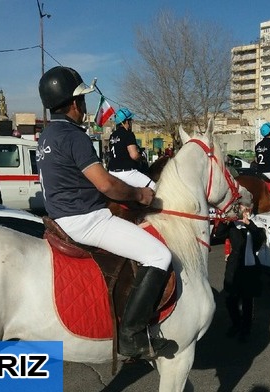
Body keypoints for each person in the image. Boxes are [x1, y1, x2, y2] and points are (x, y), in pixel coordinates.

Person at [37, 66, 172, 359]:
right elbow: (107, 184)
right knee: (159, 255)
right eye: (82, 101)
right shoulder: (73, 135)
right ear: (74, 103)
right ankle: (132, 335)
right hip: (85, 219)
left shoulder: (47, 134)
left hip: (58, 216)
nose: (83, 107)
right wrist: (139, 194)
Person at [214, 204, 265, 342]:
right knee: (230, 299)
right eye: (241, 207)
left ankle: (245, 329)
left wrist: (249, 224)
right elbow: (218, 234)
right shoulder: (233, 224)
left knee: (247, 300)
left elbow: (260, 239)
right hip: (234, 265)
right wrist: (225, 221)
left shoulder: (257, 222)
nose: (243, 210)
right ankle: (236, 323)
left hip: (250, 266)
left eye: (245, 207)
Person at [107, 108, 156, 189]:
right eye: (130, 120)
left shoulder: (112, 136)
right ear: (126, 121)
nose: (131, 123)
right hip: (127, 173)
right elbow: (134, 155)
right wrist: (142, 158)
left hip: (111, 172)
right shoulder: (128, 134)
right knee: (155, 188)